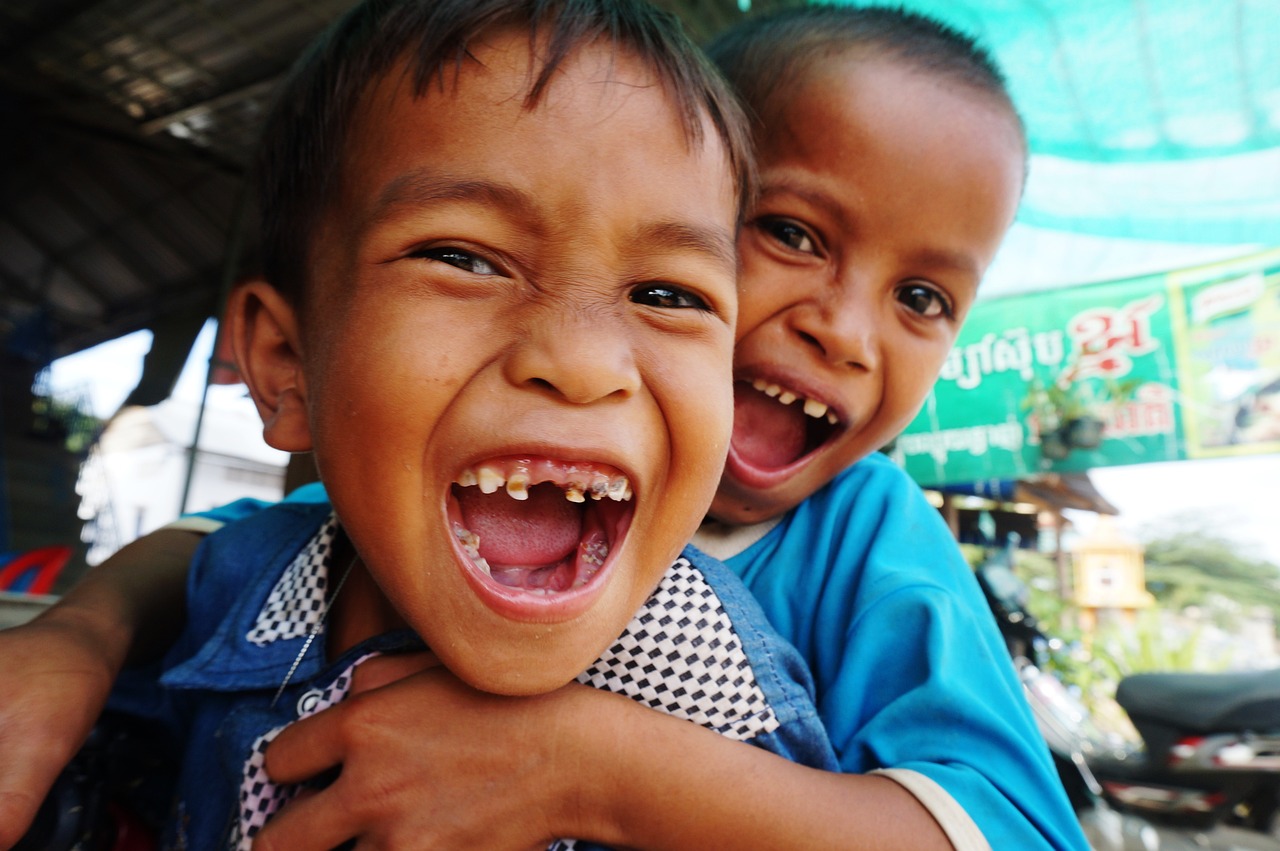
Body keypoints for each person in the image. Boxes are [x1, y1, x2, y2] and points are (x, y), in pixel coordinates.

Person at [0, 4, 1090, 850]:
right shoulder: (386, 507)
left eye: (924, 299)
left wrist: (584, 763)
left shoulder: (864, 537)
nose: (845, 331)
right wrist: (77, 639)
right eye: (792, 232)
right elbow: (225, 550)